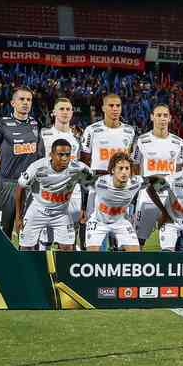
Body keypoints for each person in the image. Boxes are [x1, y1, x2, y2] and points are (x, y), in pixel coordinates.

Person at [0, 86, 43, 239]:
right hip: (7, 185)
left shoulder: (36, 124)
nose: (26, 103)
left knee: (29, 234)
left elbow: (41, 157)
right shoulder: (2, 123)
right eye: (22, 99)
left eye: (29, 100)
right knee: (2, 234)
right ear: (13, 103)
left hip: (29, 186)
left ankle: (25, 263)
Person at [13, 139, 95, 251]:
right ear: (51, 154)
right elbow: (20, 187)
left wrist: (84, 208)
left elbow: (93, 185)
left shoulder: (79, 168)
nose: (65, 159)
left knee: (68, 248)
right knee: (26, 248)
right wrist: (18, 216)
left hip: (61, 213)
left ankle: (63, 269)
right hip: (37, 211)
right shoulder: (37, 167)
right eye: (60, 155)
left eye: (67, 155)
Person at [80, 94, 136, 250]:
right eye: (111, 106)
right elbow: (84, 163)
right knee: (97, 238)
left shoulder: (129, 131)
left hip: (122, 191)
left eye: (118, 105)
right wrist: (85, 196)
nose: (115, 109)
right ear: (103, 108)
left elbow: (129, 162)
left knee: (121, 238)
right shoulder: (92, 130)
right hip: (98, 190)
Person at [131, 103, 183, 247]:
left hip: (170, 198)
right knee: (138, 240)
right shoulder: (141, 141)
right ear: (152, 117)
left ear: (170, 118)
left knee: (172, 242)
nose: (162, 118)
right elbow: (135, 167)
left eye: (165, 115)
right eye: (159, 115)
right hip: (147, 196)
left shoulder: (178, 142)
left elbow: (179, 171)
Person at [37, 97, 83, 247]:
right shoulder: (44, 135)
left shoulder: (78, 138)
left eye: (68, 109)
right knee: (46, 241)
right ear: (53, 112)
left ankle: (66, 269)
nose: (65, 112)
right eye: (61, 109)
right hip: (48, 194)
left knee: (69, 241)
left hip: (72, 194)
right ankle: (43, 270)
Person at [83, 152, 151, 252]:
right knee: (92, 257)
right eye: (120, 168)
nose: (124, 172)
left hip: (120, 222)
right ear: (113, 170)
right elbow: (80, 182)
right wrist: (83, 208)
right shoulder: (99, 182)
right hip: (98, 222)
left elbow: (154, 181)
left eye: (127, 168)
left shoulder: (136, 182)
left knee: (136, 255)